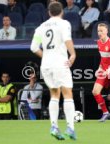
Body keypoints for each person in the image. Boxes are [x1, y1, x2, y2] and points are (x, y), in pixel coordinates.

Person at [30, 2, 77, 140]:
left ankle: (54, 127)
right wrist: (73, 54)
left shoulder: (41, 27)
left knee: (54, 94)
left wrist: (46, 56)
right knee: (67, 94)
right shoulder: (64, 23)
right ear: (62, 11)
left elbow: (33, 47)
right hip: (60, 63)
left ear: (49, 12)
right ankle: (70, 128)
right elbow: (67, 40)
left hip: (46, 65)